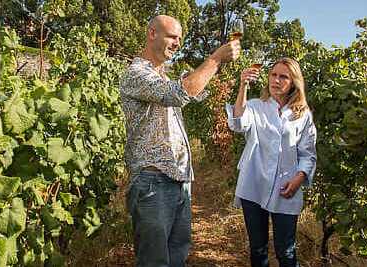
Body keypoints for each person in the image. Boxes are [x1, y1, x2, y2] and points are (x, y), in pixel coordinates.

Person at [120, 15, 240, 267]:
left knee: (177, 256)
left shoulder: (163, 76)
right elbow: (177, 94)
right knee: (155, 261)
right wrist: (215, 59)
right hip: (152, 181)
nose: (177, 43)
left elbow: (195, 93)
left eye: (180, 39)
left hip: (179, 179)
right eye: (172, 36)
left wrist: (214, 68)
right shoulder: (136, 73)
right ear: (152, 33)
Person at [225, 57, 317, 267]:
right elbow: (238, 123)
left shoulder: (302, 115)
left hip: (286, 188)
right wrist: (243, 86)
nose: (276, 80)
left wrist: (298, 179)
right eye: (273, 75)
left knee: (286, 250)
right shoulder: (257, 106)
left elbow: (308, 154)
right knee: (258, 248)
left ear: (294, 82)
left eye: (283, 76)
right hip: (254, 185)